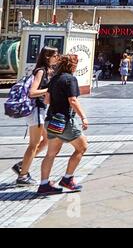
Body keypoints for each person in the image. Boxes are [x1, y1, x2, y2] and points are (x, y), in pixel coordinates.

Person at [38, 54, 89, 195]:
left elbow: (47, 100)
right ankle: (67, 179)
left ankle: (43, 185)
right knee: (82, 147)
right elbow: (73, 100)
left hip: (51, 120)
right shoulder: (70, 79)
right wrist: (83, 117)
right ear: (72, 65)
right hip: (63, 121)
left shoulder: (54, 79)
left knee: (51, 153)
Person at [12, 47, 59, 186]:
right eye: (55, 55)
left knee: (46, 140)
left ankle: (23, 164)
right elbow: (32, 92)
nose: (57, 57)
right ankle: (22, 177)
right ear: (47, 57)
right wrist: (49, 90)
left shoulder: (47, 71)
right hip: (36, 111)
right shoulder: (40, 71)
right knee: (33, 144)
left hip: (41, 110)